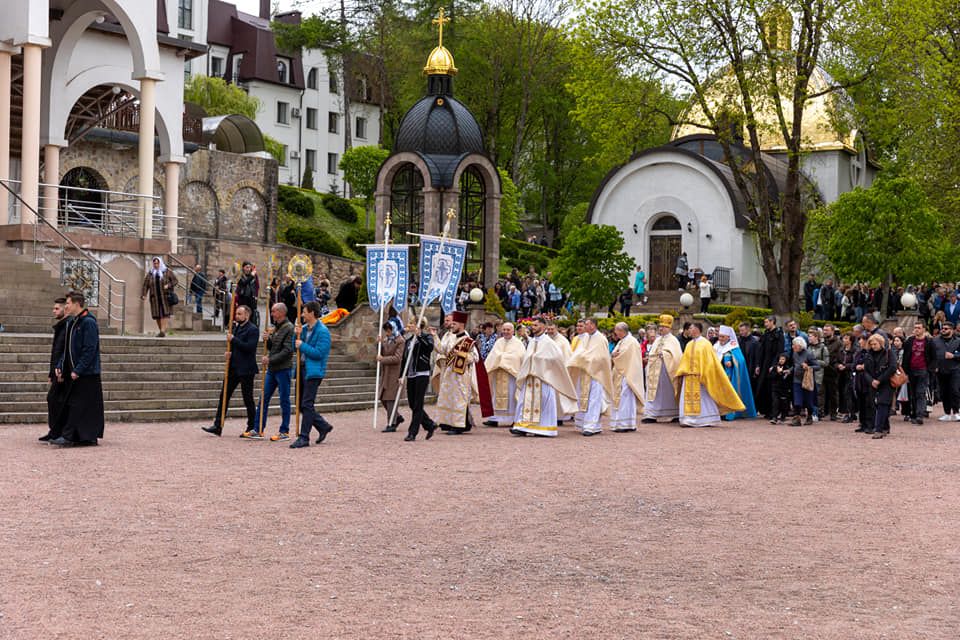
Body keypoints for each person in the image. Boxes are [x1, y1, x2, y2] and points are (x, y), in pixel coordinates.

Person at [50, 291, 104, 446]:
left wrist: (78, 370)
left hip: (87, 373)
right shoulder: (74, 322)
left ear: (76, 304)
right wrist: (60, 365)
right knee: (74, 405)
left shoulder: (88, 322)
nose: (66, 306)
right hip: (76, 371)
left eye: (67, 303)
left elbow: (90, 349)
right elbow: (67, 349)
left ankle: (72, 436)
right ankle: (77, 436)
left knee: (80, 405)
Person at [511, 316, 578, 437]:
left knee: (543, 403)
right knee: (524, 402)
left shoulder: (549, 343)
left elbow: (556, 359)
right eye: (532, 325)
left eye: (536, 325)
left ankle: (544, 428)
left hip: (544, 378)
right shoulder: (532, 341)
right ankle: (522, 426)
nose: (533, 327)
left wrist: (538, 360)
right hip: (530, 377)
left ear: (543, 327)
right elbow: (527, 357)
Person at [202, 305, 259, 437]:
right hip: (233, 367)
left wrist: (234, 340)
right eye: (236, 314)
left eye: (239, 314)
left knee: (248, 399)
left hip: (246, 369)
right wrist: (230, 353)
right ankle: (218, 425)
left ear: (247, 315)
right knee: (224, 396)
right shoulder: (236, 328)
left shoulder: (253, 330)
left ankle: (252, 426)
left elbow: (249, 348)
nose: (236, 316)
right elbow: (236, 347)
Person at [675, 322, 745, 427]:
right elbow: (685, 360)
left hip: (701, 376)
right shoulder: (689, 344)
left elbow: (709, 361)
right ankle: (687, 419)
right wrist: (682, 371)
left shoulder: (705, 344)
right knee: (687, 398)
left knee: (704, 398)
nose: (689, 330)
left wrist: (705, 373)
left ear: (697, 329)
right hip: (688, 376)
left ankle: (704, 419)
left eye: (691, 328)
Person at [432, 310, 490, 435]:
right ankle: (447, 422)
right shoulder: (450, 338)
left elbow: (475, 357)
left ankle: (459, 426)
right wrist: (434, 336)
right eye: (451, 324)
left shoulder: (468, 340)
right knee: (448, 398)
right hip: (448, 373)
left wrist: (462, 354)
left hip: (461, 375)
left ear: (461, 325)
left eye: (454, 324)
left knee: (459, 399)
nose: (451, 325)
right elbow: (442, 350)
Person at [247, 303, 295, 441]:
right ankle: (258, 428)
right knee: (263, 398)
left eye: (274, 311)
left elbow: (287, 350)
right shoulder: (276, 328)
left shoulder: (289, 328)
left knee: (284, 399)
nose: (272, 314)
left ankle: (284, 431)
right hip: (273, 369)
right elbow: (272, 347)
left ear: (281, 312)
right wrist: (267, 340)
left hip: (283, 369)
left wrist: (270, 359)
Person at [290, 301, 334, 448]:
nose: (302, 314)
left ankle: (304, 437)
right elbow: (293, 346)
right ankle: (323, 426)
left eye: (304, 312)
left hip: (313, 372)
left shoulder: (323, 331)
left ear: (312, 313)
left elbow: (319, 353)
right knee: (301, 404)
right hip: (301, 369)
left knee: (307, 404)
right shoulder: (303, 329)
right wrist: (295, 336)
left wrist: (302, 345)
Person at [567, 317, 614, 436]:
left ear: (593, 325)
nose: (584, 327)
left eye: (586, 324)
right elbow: (580, 352)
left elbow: (602, 358)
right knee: (584, 399)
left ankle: (591, 426)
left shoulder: (601, 339)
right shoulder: (586, 337)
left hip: (596, 375)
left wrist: (584, 359)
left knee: (594, 400)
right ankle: (584, 423)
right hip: (585, 372)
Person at [400, 319, 438, 441]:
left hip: (422, 373)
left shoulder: (427, 337)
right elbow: (405, 360)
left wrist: (420, 336)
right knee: (412, 404)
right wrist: (402, 375)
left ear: (418, 325)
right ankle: (429, 424)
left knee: (418, 403)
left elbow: (429, 348)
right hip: (411, 374)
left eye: (411, 323)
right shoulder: (409, 341)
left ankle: (412, 432)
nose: (409, 325)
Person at [482, 322, 525, 428]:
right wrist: (503, 358)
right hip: (498, 372)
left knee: (512, 396)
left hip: (511, 374)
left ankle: (514, 419)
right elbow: (493, 355)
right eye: (504, 330)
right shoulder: (499, 342)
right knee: (496, 396)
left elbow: (519, 356)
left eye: (508, 330)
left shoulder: (518, 343)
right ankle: (494, 418)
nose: (505, 332)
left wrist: (502, 358)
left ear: (513, 331)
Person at [641, 314, 682, 423]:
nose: (661, 329)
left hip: (666, 372)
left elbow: (677, 356)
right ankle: (652, 414)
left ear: (669, 328)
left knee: (668, 392)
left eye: (663, 327)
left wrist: (664, 354)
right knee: (654, 392)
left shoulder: (673, 340)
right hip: (655, 372)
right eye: (660, 326)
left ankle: (674, 413)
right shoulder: (657, 340)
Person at [40, 297, 70, 442]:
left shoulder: (68, 325)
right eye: (54, 308)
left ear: (66, 309)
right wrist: (51, 372)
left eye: (57, 308)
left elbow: (65, 351)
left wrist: (60, 369)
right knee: (53, 399)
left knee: (55, 399)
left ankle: (58, 431)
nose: (54, 311)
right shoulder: (61, 325)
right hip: (57, 370)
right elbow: (56, 351)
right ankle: (54, 431)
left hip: (63, 371)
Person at [714, 325, 757, 420]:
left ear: (728, 337)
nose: (720, 339)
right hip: (717, 375)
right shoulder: (716, 346)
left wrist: (732, 362)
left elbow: (740, 361)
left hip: (729, 376)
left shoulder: (733, 346)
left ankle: (729, 413)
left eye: (722, 337)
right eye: (719, 336)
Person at [609, 321, 645, 432]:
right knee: (622, 399)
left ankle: (625, 424)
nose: (615, 333)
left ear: (622, 331)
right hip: (621, 373)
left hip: (628, 374)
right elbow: (616, 353)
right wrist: (613, 355)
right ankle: (624, 423)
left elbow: (622, 356)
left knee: (625, 399)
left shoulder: (631, 342)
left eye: (616, 331)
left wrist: (613, 356)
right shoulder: (622, 341)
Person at [862, 333, 898, 438]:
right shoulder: (868, 354)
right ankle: (885, 427)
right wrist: (871, 380)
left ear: (881, 343)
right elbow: (866, 371)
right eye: (871, 344)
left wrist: (879, 380)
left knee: (882, 404)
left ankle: (878, 429)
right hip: (873, 383)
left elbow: (892, 367)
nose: (873, 346)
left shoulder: (889, 353)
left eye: (875, 344)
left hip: (886, 383)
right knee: (877, 405)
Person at [903, 321, 935, 425]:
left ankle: (920, 415)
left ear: (924, 329)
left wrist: (930, 369)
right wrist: (905, 372)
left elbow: (934, 357)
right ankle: (914, 414)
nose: (917, 329)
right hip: (911, 370)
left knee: (920, 393)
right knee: (912, 393)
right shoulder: (909, 341)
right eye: (915, 327)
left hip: (923, 370)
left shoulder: (929, 342)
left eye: (919, 328)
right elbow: (905, 357)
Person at [377, 321, 406, 432]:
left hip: (395, 373)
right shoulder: (386, 340)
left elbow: (397, 358)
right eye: (386, 331)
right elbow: (381, 352)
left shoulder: (400, 341)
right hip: (386, 373)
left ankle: (391, 423)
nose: (387, 333)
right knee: (383, 397)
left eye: (389, 331)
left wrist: (383, 359)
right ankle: (397, 417)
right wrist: (379, 344)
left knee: (390, 399)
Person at [754, 316, 784, 418]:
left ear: (772, 322)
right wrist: (758, 365)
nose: (765, 324)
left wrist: (774, 365)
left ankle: (773, 412)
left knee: (772, 388)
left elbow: (780, 351)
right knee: (762, 387)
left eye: (766, 322)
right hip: (763, 364)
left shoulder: (779, 334)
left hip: (772, 364)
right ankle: (765, 410)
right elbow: (760, 349)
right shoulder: (765, 334)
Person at [141, 256, 178, 337]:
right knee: (157, 315)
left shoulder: (167, 271)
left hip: (165, 297)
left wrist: (168, 285)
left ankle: (162, 331)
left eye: (157, 263)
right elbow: (145, 285)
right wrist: (144, 295)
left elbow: (175, 281)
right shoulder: (151, 273)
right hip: (155, 298)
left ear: (160, 263)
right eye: (154, 263)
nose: (156, 265)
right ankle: (161, 331)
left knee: (164, 314)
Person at [790, 337, 820, 426]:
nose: (792, 347)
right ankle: (797, 419)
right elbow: (795, 365)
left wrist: (808, 367)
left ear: (800, 345)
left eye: (794, 345)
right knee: (797, 400)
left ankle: (810, 416)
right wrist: (789, 370)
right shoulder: (794, 354)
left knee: (808, 401)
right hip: (796, 380)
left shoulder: (809, 354)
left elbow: (817, 366)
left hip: (807, 380)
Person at [933, 322, 960, 422]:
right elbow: (931, 354)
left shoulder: (958, 341)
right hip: (941, 370)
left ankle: (956, 412)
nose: (943, 330)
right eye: (943, 328)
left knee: (954, 390)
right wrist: (933, 366)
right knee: (944, 392)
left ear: (952, 330)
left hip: (955, 369)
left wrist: (954, 356)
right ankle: (947, 413)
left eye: (946, 329)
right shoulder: (935, 341)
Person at [822, 324, 843, 421]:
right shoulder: (822, 341)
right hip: (822, 370)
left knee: (833, 393)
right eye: (824, 330)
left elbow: (836, 355)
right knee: (822, 392)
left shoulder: (838, 342)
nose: (825, 332)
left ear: (832, 331)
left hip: (833, 370)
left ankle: (833, 412)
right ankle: (823, 411)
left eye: (827, 330)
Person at [768, 354, 793, 424]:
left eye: (783, 359)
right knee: (775, 402)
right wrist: (777, 372)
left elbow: (786, 379)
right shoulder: (775, 367)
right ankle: (774, 417)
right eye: (780, 359)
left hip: (784, 389)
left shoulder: (787, 368)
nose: (781, 361)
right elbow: (771, 377)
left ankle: (783, 416)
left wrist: (782, 373)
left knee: (784, 403)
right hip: (775, 388)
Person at [235, 262, 261, 327]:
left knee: (251, 315)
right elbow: (244, 283)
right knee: (243, 315)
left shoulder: (254, 276)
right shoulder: (240, 276)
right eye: (247, 267)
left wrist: (256, 296)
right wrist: (251, 276)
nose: (248, 269)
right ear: (243, 268)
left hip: (251, 298)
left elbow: (256, 286)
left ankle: (251, 328)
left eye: (249, 267)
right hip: (243, 298)